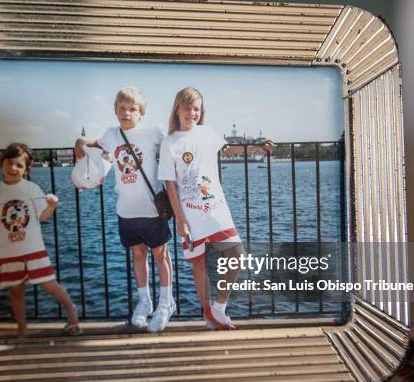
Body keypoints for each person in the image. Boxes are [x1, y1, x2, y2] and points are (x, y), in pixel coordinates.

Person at [158, 87, 273, 330]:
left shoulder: (207, 133)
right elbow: (170, 185)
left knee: (237, 255)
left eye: (197, 108)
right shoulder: (169, 142)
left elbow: (228, 149)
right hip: (190, 216)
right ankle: (208, 314)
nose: (193, 112)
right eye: (188, 108)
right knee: (198, 264)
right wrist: (180, 220)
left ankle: (220, 306)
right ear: (177, 109)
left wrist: (256, 146)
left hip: (216, 209)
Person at [74, 87, 175, 332]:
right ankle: (144, 301)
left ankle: (166, 302)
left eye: (132, 109)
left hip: (152, 209)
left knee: (160, 256)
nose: (126, 113)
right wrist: (79, 141)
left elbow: (175, 148)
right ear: (115, 110)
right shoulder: (112, 134)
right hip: (126, 210)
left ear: (142, 113)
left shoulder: (153, 132)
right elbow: (94, 143)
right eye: (121, 108)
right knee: (138, 256)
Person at [0, 143, 81, 338]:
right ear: (1, 164)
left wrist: (52, 206)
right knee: (15, 291)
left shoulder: (31, 188)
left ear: (26, 170)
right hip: (9, 252)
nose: (13, 168)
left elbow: (42, 216)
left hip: (33, 249)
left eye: (19, 165)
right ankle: (22, 329)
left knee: (49, 285)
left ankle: (72, 313)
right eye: (9, 163)